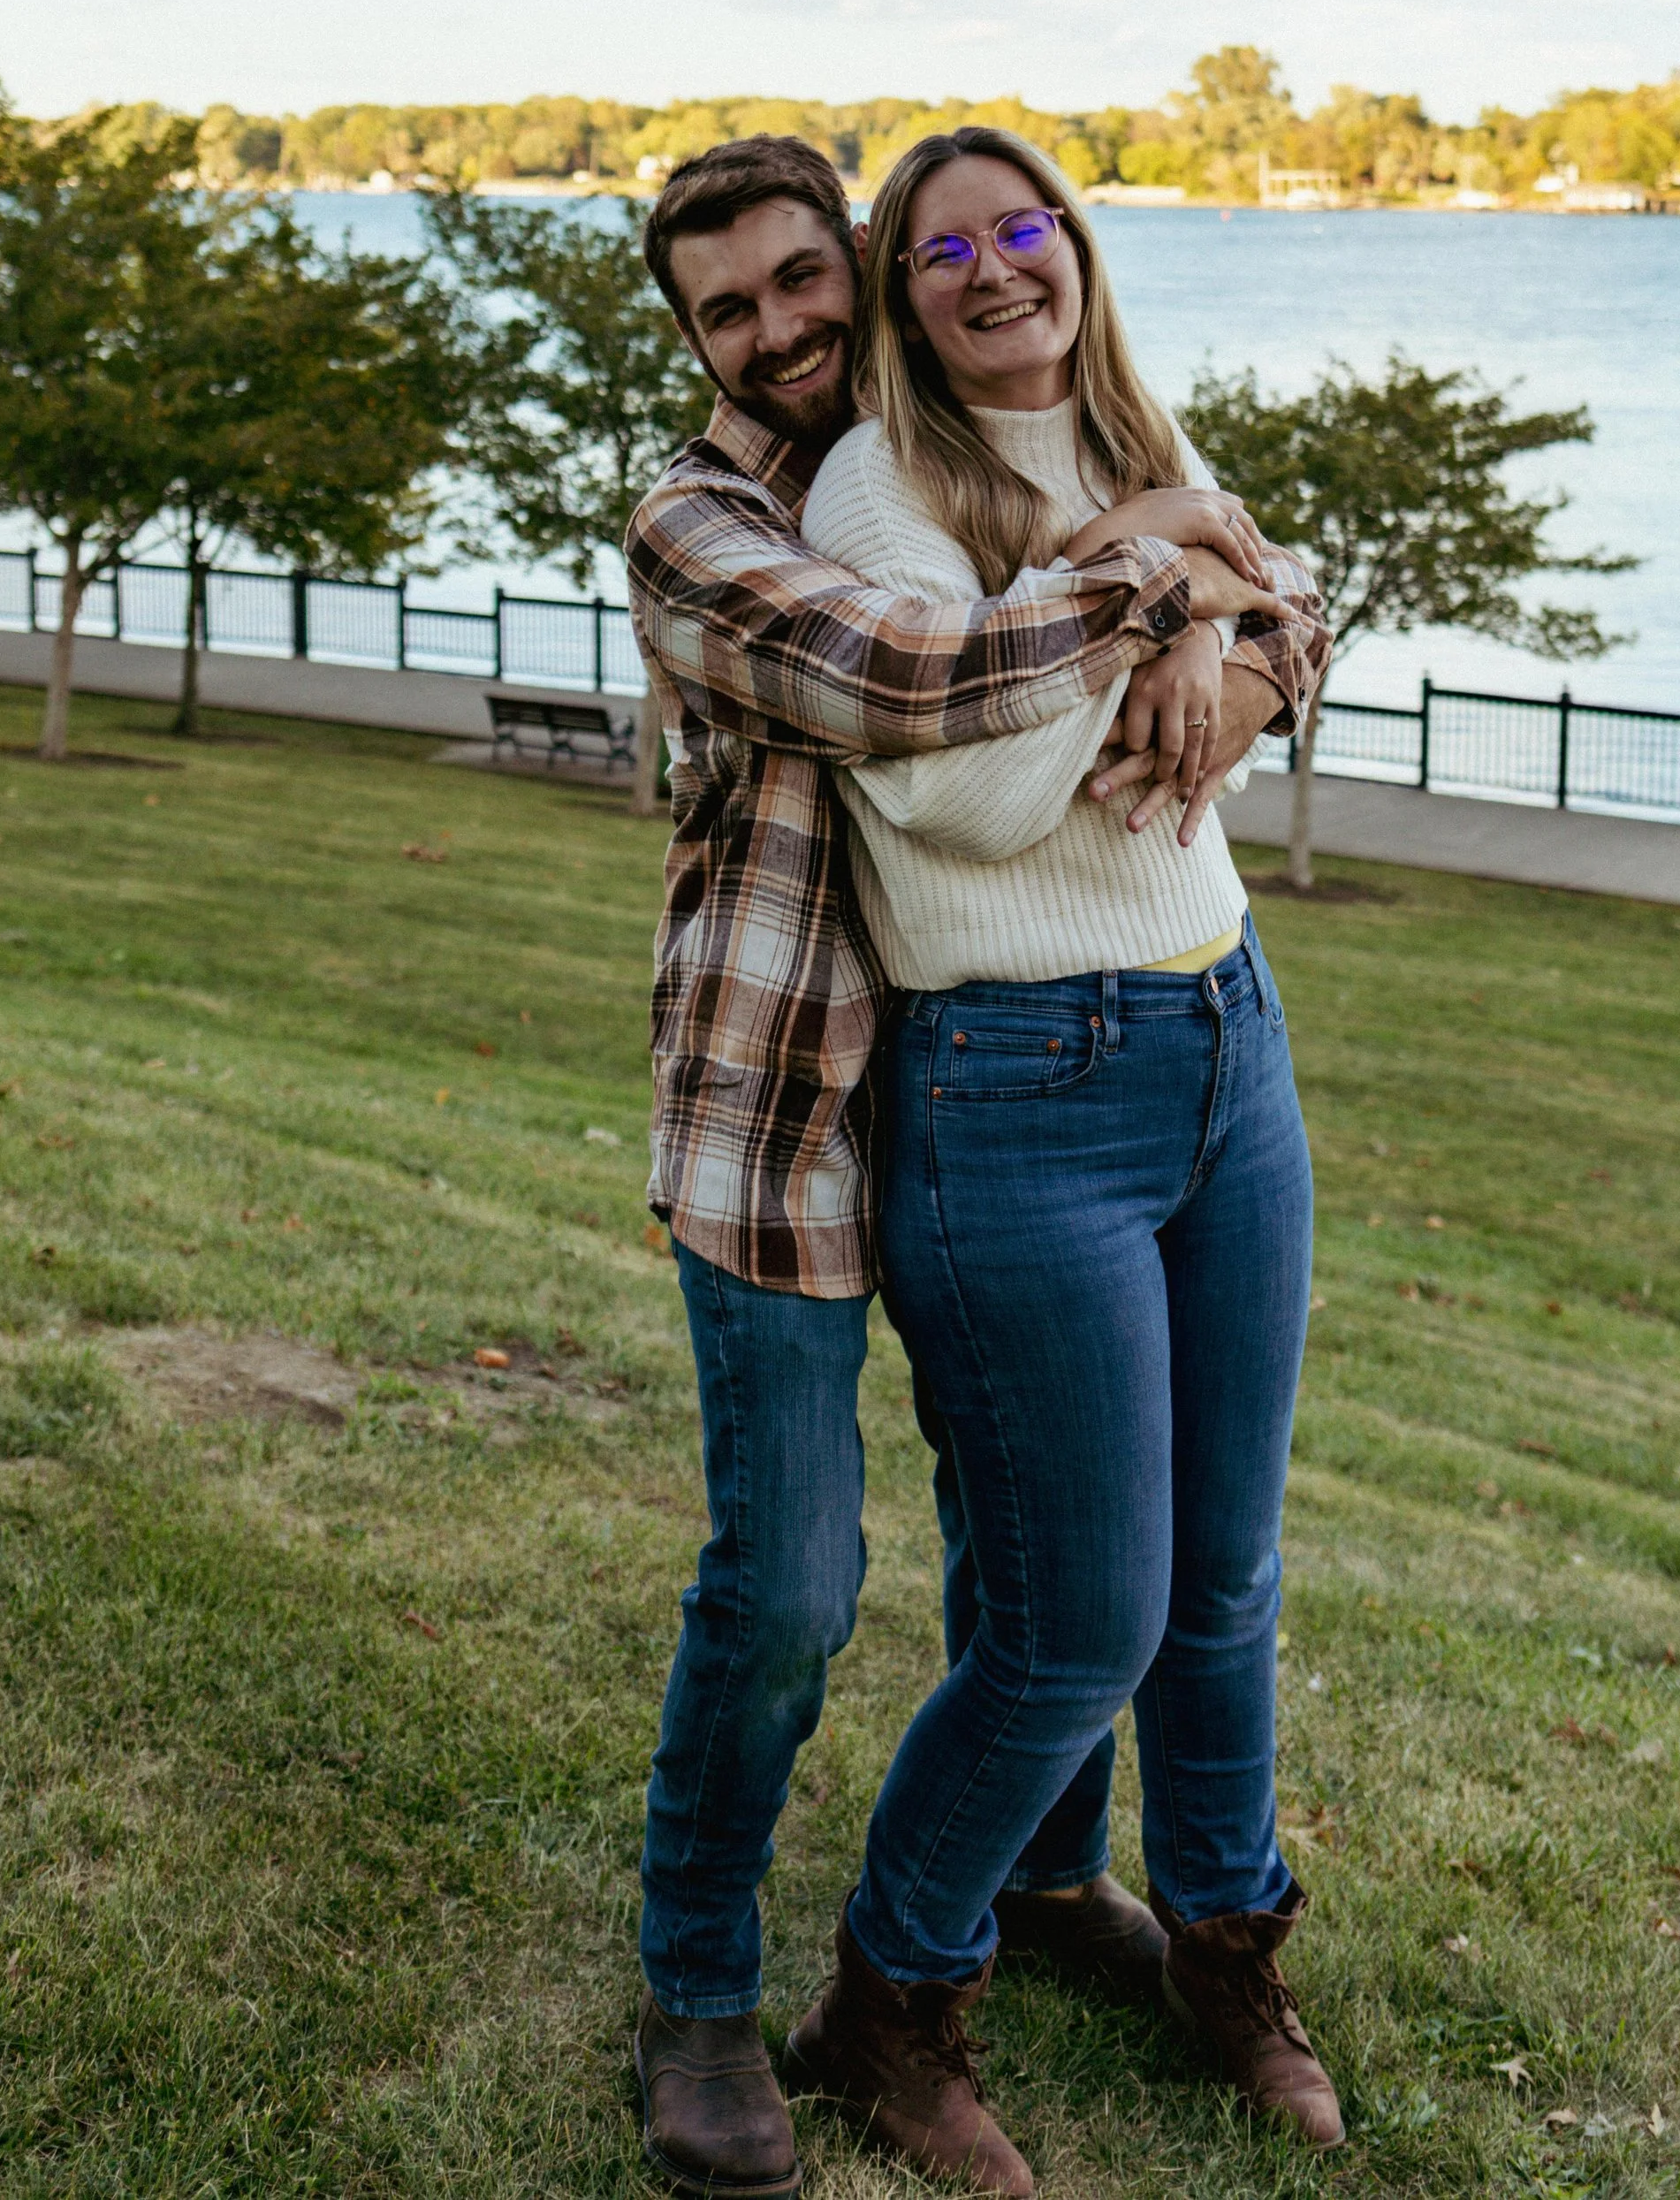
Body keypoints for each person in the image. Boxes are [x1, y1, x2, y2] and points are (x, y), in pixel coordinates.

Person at [623, 135, 1321, 2199]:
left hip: (1189, 1032)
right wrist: (1158, 571)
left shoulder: (1066, 430)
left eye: (796, 279)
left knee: (1159, 1569)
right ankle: (723, 1994)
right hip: (805, 1114)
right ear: (692, 339)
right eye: (725, 307)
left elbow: (1284, 603)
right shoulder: (733, 517)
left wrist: (1219, 617)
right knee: (802, 1590)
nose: (778, 327)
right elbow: (936, 730)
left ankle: (1144, 1916)